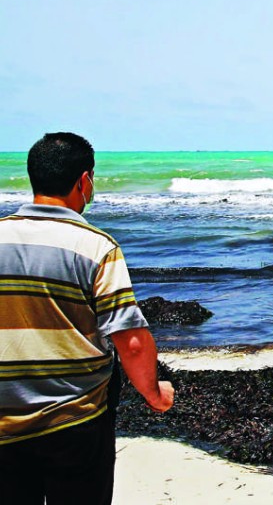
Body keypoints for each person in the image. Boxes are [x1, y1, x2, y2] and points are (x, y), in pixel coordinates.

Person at [0, 132, 175, 505]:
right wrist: (153, 394)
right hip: (75, 418)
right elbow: (129, 338)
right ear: (84, 181)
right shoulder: (95, 245)